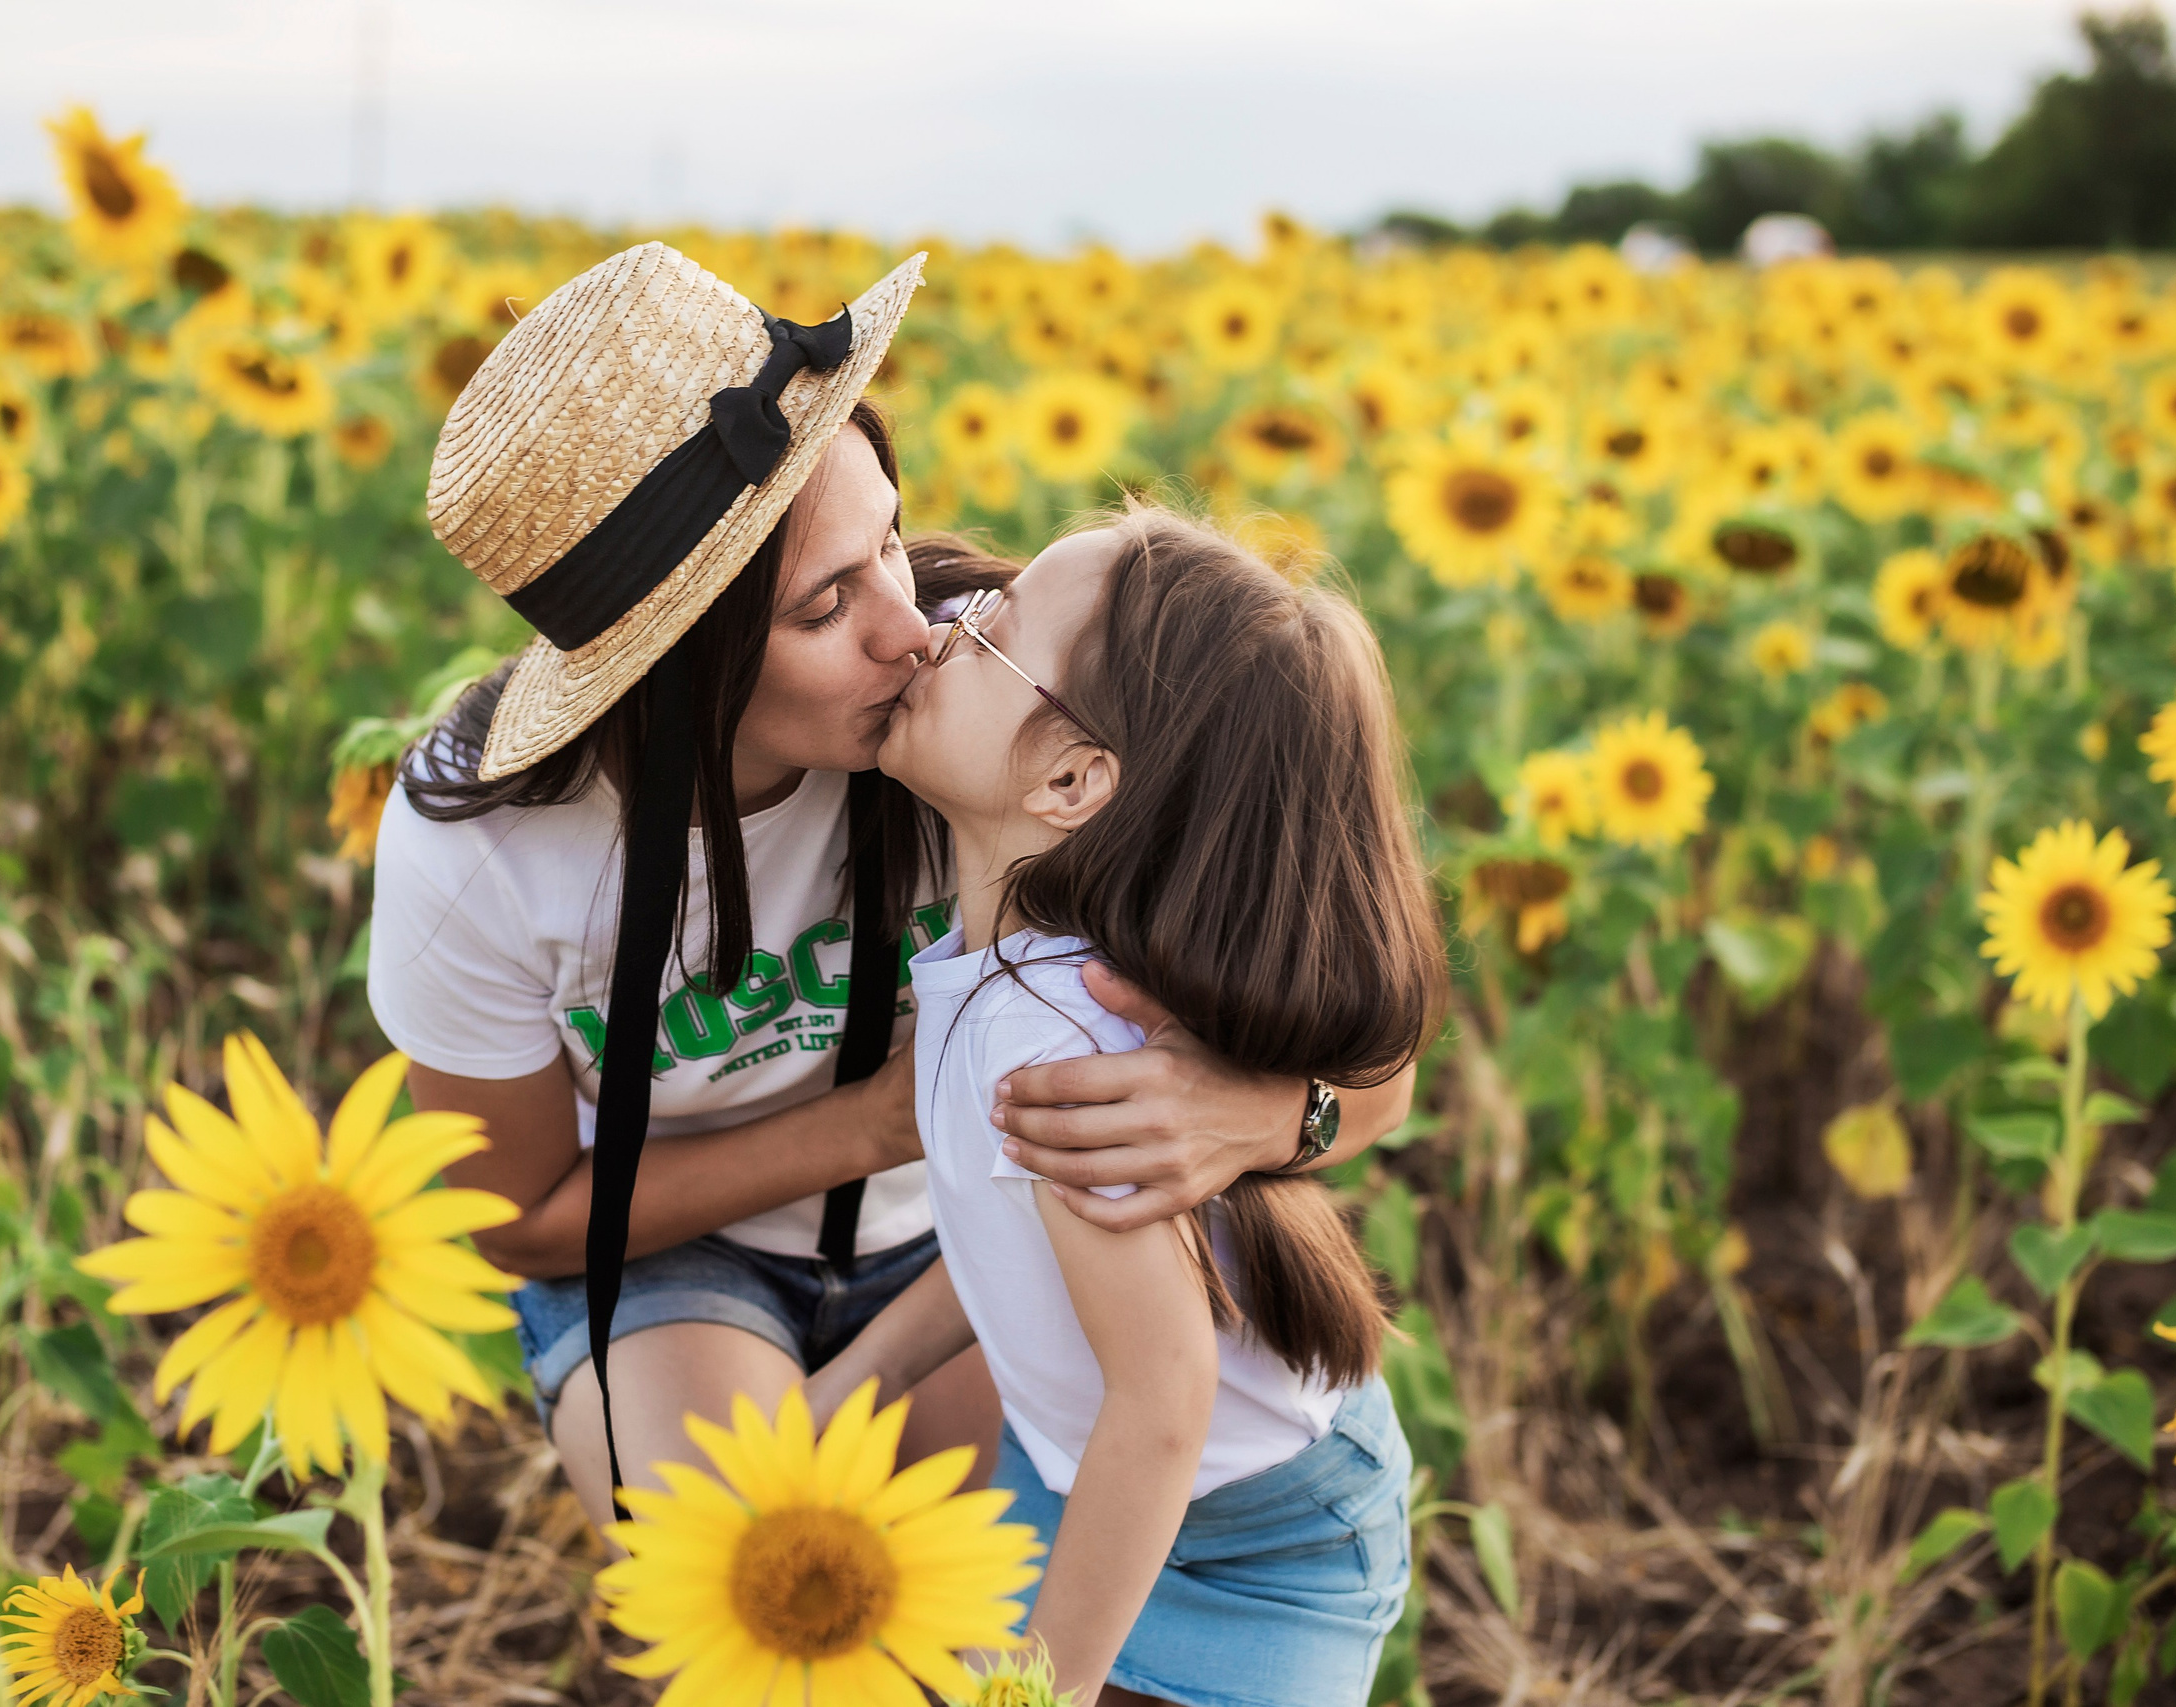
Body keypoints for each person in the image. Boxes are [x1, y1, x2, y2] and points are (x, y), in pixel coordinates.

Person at [366, 241, 1416, 1532]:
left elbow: (1365, 1064)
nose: (912, 627)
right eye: (826, 606)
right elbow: (522, 1217)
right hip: (669, 1258)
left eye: (892, 542)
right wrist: (878, 1120)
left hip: (982, 1241)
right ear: (666, 672)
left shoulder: (1014, 701)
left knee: (944, 1611)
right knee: (756, 1573)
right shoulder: (486, 843)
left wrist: (1257, 1118)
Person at [809, 507, 1445, 1707]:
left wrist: (1032, 1690)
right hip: (1083, 1466)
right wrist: (861, 1375)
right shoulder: (1005, 968)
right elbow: (1022, 1250)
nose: (942, 630)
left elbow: (1164, 1401)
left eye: (990, 633)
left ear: (1070, 779)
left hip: (1264, 1534)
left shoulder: (1048, 1029)